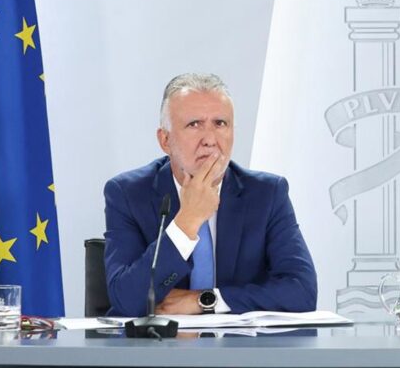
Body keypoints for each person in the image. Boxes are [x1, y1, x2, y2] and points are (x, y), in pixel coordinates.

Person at [104, 73, 317, 316]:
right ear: (165, 140)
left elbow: (302, 292)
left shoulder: (267, 194)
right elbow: (128, 300)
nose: (210, 140)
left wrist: (206, 301)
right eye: (194, 124)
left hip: (240, 351)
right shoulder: (128, 194)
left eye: (220, 124)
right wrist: (187, 222)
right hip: (160, 349)